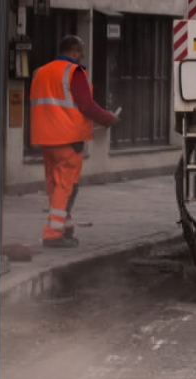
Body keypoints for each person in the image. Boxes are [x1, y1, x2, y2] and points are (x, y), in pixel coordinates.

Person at [30, 35, 119, 248]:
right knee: (67, 186)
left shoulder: (41, 72)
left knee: (54, 184)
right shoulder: (74, 72)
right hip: (68, 138)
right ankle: (53, 234)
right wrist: (109, 118)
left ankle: (64, 225)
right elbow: (86, 106)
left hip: (45, 138)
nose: (81, 58)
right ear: (74, 52)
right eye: (80, 53)